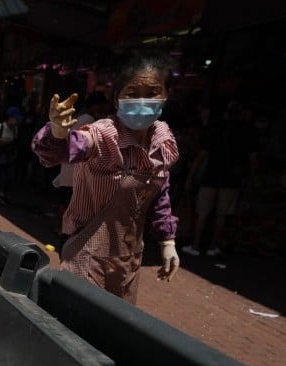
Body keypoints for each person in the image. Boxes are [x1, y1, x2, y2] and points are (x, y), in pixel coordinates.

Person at [31, 52, 180, 303]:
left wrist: (168, 241)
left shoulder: (162, 140)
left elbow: (159, 193)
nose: (143, 100)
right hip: (85, 256)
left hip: (129, 261)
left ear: (166, 96)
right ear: (117, 98)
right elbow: (66, 148)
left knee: (112, 329)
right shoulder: (103, 134)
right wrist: (57, 132)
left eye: (152, 92)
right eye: (133, 93)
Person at [182, 100, 259, 256]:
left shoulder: (216, 128)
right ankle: (212, 246)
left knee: (202, 212)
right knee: (221, 214)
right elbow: (253, 157)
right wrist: (252, 176)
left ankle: (195, 245)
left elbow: (203, 154)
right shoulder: (248, 131)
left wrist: (191, 175)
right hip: (232, 179)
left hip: (211, 176)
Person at [52, 92, 109, 204]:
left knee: (66, 205)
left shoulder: (80, 116)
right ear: (96, 105)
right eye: (101, 106)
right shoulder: (89, 119)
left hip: (69, 169)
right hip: (76, 172)